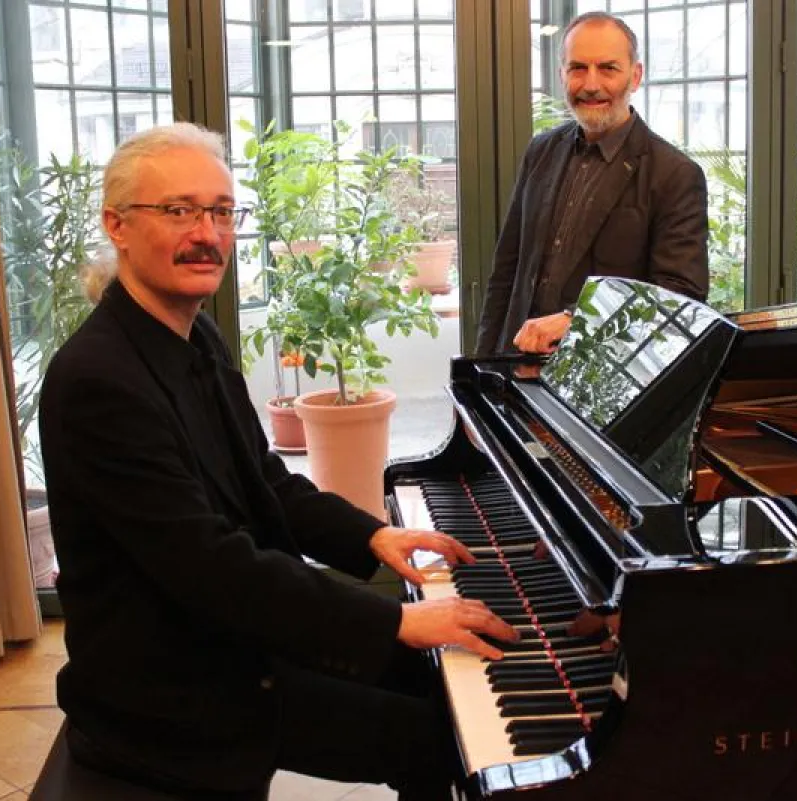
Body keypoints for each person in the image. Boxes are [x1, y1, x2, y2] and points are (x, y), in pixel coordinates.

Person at [38, 122, 517, 801]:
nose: (207, 234)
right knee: (440, 735)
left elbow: (262, 480)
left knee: (447, 681)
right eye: (179, 211)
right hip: (171, 685)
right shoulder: (98, 381)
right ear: (117, 225)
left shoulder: (193, 334)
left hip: (224, 638)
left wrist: (372, 535)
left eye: (221, 212)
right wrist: (397, 620)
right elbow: (211, 566)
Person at [475, 11, 710, 356]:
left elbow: (678, 298)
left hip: (604, 374)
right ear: (562, 74)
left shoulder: (675, 174)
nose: (591, 84)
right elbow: (505, 275)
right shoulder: (541, 151)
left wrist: (576, 321)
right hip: (515, 365)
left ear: (635, 76)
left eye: (608, 68)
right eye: (578, 68)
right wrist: (480, 369)